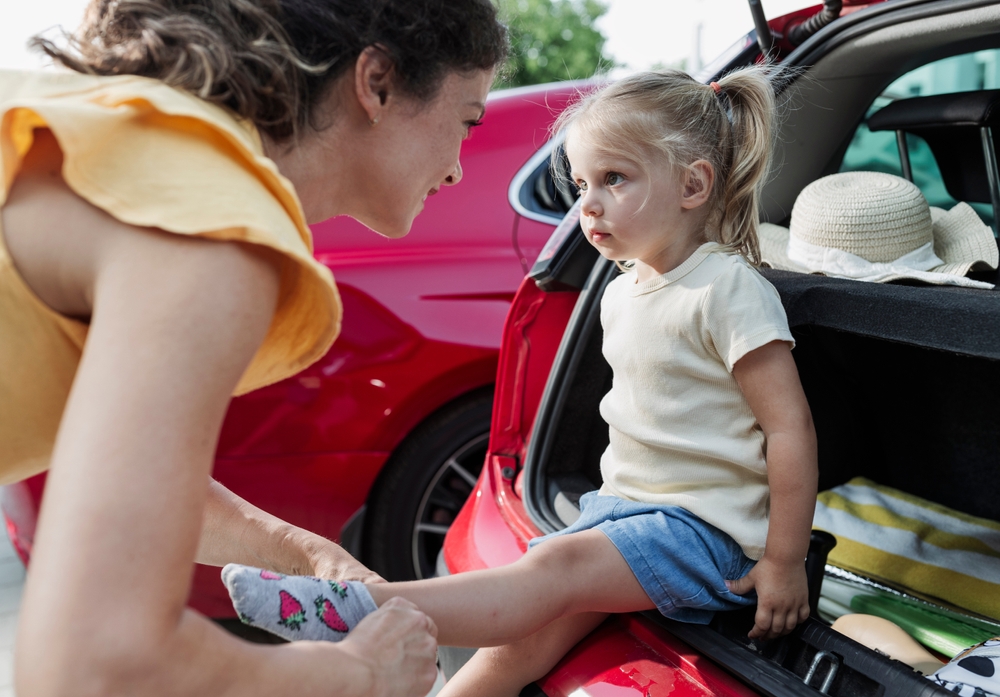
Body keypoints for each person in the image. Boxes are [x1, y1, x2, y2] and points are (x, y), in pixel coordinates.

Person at [222, 66, 820, 696]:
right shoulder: (622, 290)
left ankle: (364, 607)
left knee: (550, 570)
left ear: (693, 184)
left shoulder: (726, 289)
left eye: (614, 179)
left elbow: (788, 428)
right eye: (584, 183)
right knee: (518, 645)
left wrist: (781, 561)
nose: (588, 203)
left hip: (707, 535)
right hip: (626, 512)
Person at [0, 1, 506, 695]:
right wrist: (359, 672)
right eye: (467, 120)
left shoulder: (127, 137)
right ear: (378, 81)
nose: (455, 169)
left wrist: (306, 553)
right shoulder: (209, 223)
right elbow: (97, 664)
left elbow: (148, 483)